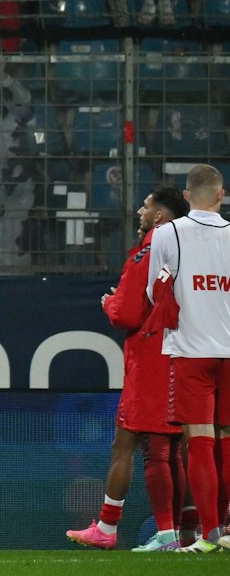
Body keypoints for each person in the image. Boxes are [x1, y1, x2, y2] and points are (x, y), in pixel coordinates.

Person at [71, 187, 190, 551]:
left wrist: (110, 303)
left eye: (145, 205)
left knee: (147, 447)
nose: (139, 210)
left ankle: (160, 533)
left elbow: (126, 314)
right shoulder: (189, 248)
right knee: (171, 447)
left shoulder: (149, 250)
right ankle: (187, 530)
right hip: (183, 352)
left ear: (158, 216)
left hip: (150, 356)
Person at [145, 165, 230, 552]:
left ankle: (210, 535)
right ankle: (228, 533)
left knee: (200, 441)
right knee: (228, 439)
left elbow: (153, 293)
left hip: (192, 349)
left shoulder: (166, 233)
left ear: (186, 193)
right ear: (221, 194)